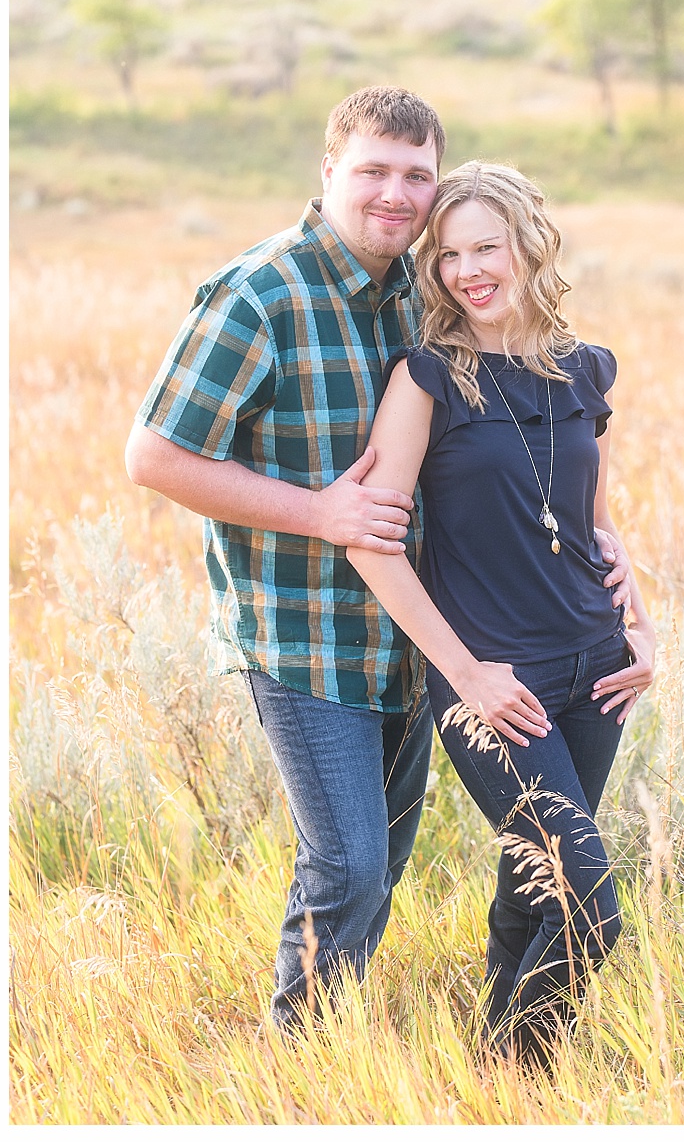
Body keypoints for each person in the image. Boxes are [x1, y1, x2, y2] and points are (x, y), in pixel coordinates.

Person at [126, 86, 445, 1025]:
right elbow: (154, 456)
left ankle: (332, 1046)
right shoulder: (260, 294)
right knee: (346, 865)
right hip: (302, 635)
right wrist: (320, 513)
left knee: (379, 866)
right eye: (374, 171)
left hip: (409, 633)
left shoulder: (420, 298)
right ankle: (292, 1059)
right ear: (329, 171)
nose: (396, 194)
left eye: (416, 176)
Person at [344, 160, 656, 1063]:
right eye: (447, 255)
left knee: (532, 893)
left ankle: (510, 1089)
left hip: (596, 673)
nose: (467, 270)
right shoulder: (428, 377)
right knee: (588, 910)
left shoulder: (584, 369)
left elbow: (595, 525)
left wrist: (642, 631)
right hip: (494, 682)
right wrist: (465, 673)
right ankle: (510, 1070)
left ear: (528, 243)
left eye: (486, 246)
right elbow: (373, 543)